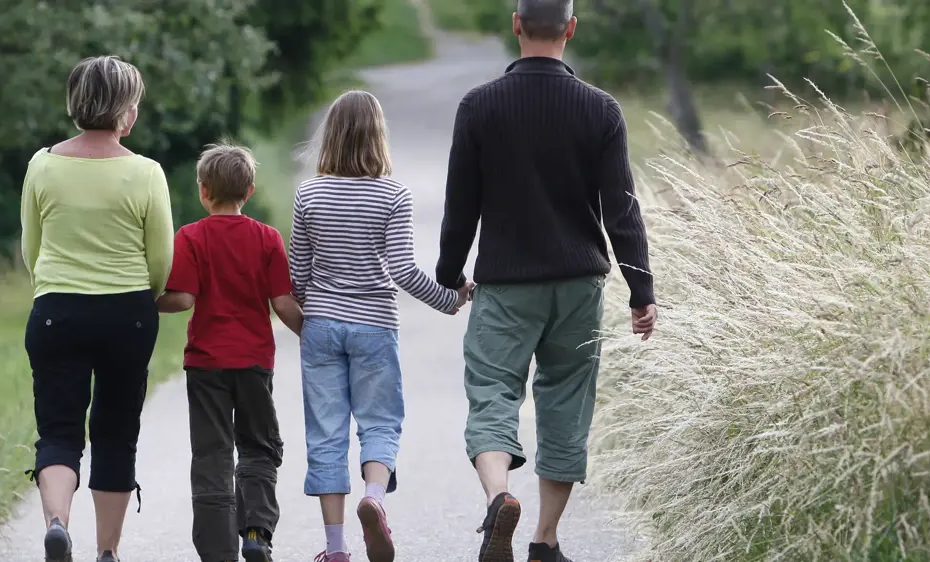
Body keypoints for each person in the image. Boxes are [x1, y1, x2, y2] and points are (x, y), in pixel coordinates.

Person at [435, 1, 659, 561]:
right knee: (566, 403)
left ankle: (498, 498)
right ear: (571, 29)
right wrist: (641, 290)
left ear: (516, 25)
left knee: (492, 392)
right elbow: (622, 210)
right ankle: (545, 540)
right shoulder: (601, 110)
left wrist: (449, 274)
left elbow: (461, 205)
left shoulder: (479, 106)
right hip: (578, 285)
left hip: (506, 284)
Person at [290, 90, 474, 562]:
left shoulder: (309, 194)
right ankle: (374, 498)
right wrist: (449, 300)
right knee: (380, 422)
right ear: (378, 135)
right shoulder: (393, 195)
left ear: (331, 135)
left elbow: (297, 277)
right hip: (374, 326)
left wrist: (316, 316)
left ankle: (335, 550)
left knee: (326, 433)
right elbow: (404, 271)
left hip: (322, 324)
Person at [20, 55, 174, 562]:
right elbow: (161, 260)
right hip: (127, 313)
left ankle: (57, 524)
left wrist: (54, 287)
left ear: (76, 103)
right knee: (115, 433)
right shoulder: (146, 172)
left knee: (58, 431)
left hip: (56, 310)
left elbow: (31, 249)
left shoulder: (42, 165)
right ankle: (107, 552)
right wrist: (145, 297)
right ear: (126, 112)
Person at [156, 143, 303, 562]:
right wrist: (314, 338)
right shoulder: (268, 238)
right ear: (250, 191)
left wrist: (146, 302)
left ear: (203, 191)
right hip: (254, 362)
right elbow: (283, 304)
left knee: (212, 454)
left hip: (206, 364)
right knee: (258, 446)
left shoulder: (191, 236)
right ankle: (256, 532)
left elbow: (183, 299)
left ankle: (218, 551)